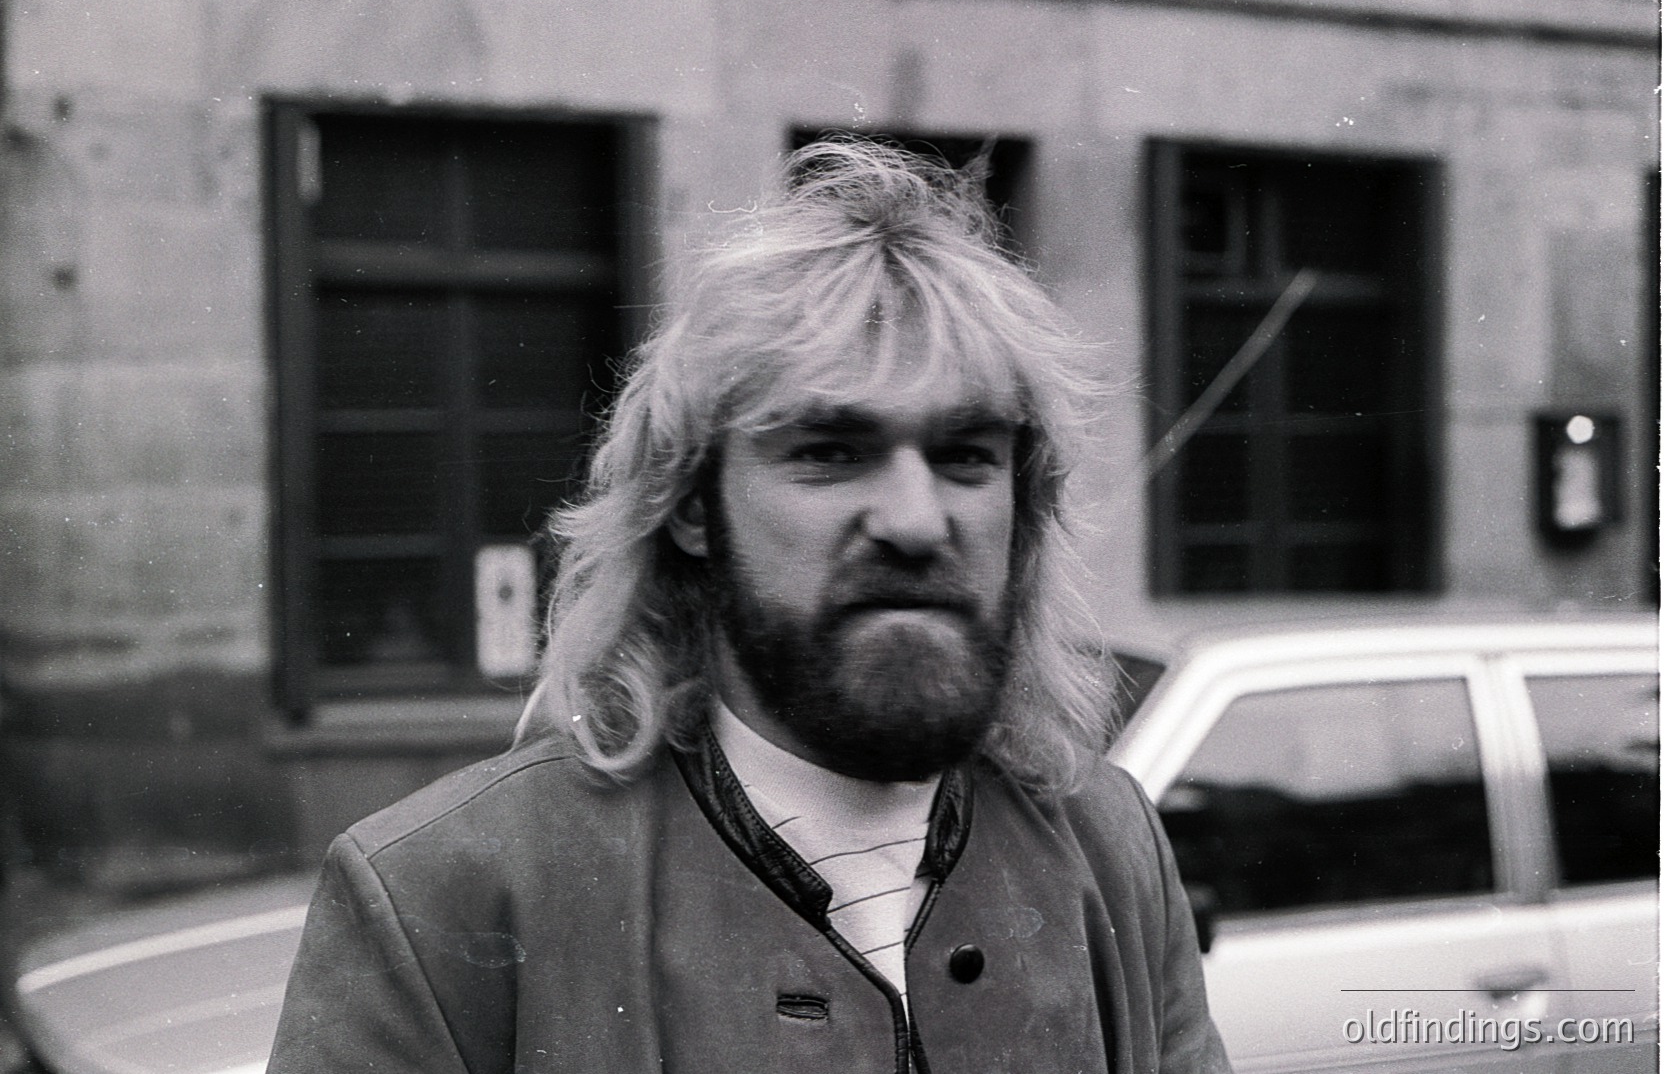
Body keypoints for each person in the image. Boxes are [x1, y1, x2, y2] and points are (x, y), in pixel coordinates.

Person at [268, 138, 1231, 1074]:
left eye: (965, 456)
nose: (915, 520)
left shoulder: (1109, 847)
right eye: (830, 452)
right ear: (693, 507)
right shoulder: (444, 898)